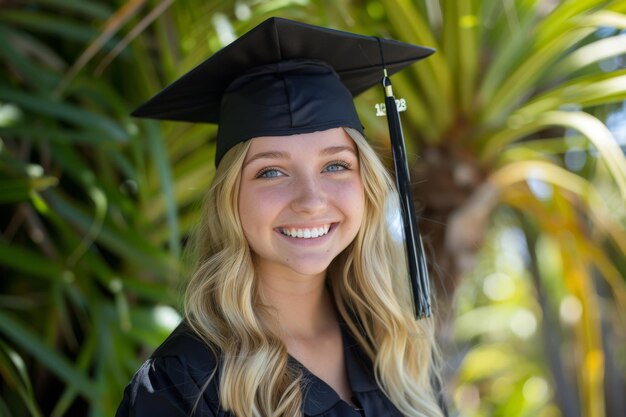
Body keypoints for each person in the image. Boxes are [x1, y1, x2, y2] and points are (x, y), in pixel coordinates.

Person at [116, 17, 445, 417]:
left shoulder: (396, 347)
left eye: (335, 166)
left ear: (368, 185)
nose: (310, 200)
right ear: (229, 198)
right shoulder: (183, 385)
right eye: (271, 172)